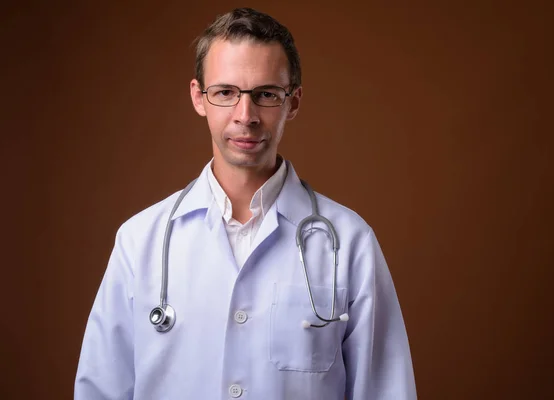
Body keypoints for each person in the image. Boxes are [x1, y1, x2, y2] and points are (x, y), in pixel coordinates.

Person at [74, 7, 417, 400]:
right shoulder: (140, 242)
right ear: (198, 98)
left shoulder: (350, 242)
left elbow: (387, 391)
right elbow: (100, 390)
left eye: (266, 94)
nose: (246, 115)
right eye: (225, 93)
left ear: (294, 102)